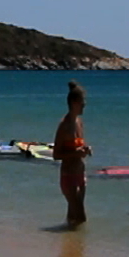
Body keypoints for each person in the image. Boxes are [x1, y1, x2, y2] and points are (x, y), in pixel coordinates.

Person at [52, 80, 92, 226]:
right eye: (83, 101)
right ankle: (78, 246)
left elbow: (78, 146)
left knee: (73, 219)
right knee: (81, 217)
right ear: (75, 102)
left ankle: (69, 246)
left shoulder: (79, 122)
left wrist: (85, 149)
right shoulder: (64, 125)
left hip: (80, 174)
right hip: (68, 176)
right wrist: (76, 154)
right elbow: (56, 155)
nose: (85, 104)